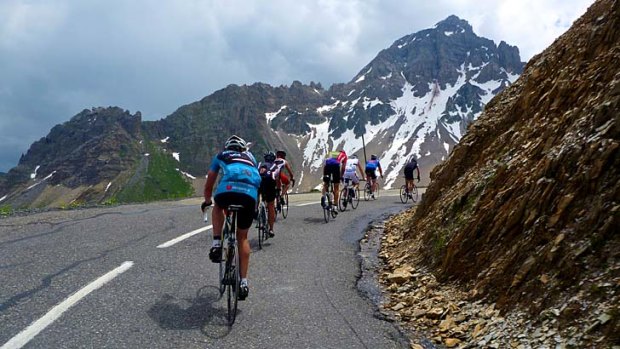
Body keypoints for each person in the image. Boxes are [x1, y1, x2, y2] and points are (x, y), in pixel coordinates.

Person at [202, 135, 261, 301]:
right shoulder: (251, 157)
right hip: (250, 195)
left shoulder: (221, 155)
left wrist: (207, 201)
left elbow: (209, 184)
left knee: (218, 206)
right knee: (242, 237)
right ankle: (243, 282)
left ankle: (216, 245)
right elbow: (257, 179)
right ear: (243, 149)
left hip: (227, 191)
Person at [258, 151, 279, 237]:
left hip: (259, 182)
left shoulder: (260, 164)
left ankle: (256, 210)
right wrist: (278, 189)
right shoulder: (275, 166)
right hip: (270, 183)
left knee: (258, 195)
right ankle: (271, 229)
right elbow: (276, 179)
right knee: (271, 205)